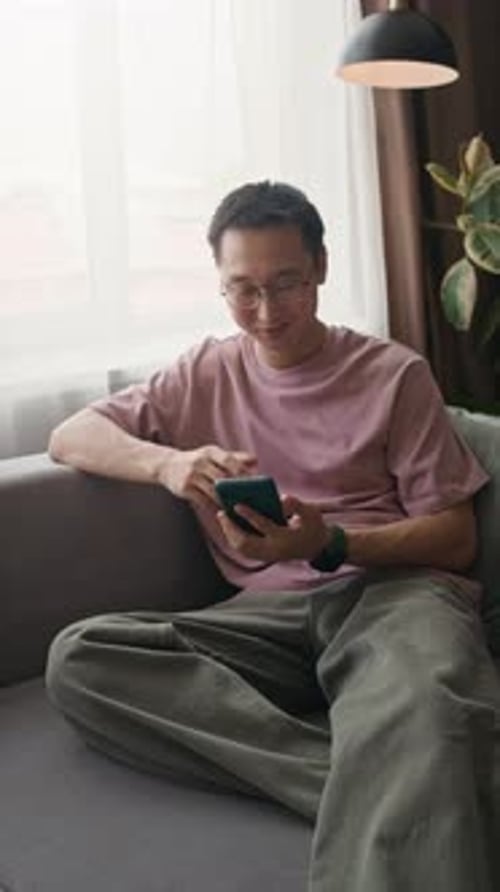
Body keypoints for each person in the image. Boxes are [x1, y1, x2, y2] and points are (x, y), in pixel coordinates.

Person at [45, 181, 500, 892]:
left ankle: (412, 777)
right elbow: (70, 435)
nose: (264, 312)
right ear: (221, 286)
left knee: (423, 702)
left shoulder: (393, 374)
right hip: (265, 615)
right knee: (82, 658)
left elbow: (455, 538)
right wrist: (168, 463)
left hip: (390, 594)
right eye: (242, 289)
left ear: (320, 268)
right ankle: (403, 785)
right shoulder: (203, 370)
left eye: (285, 284)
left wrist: (330, 544)